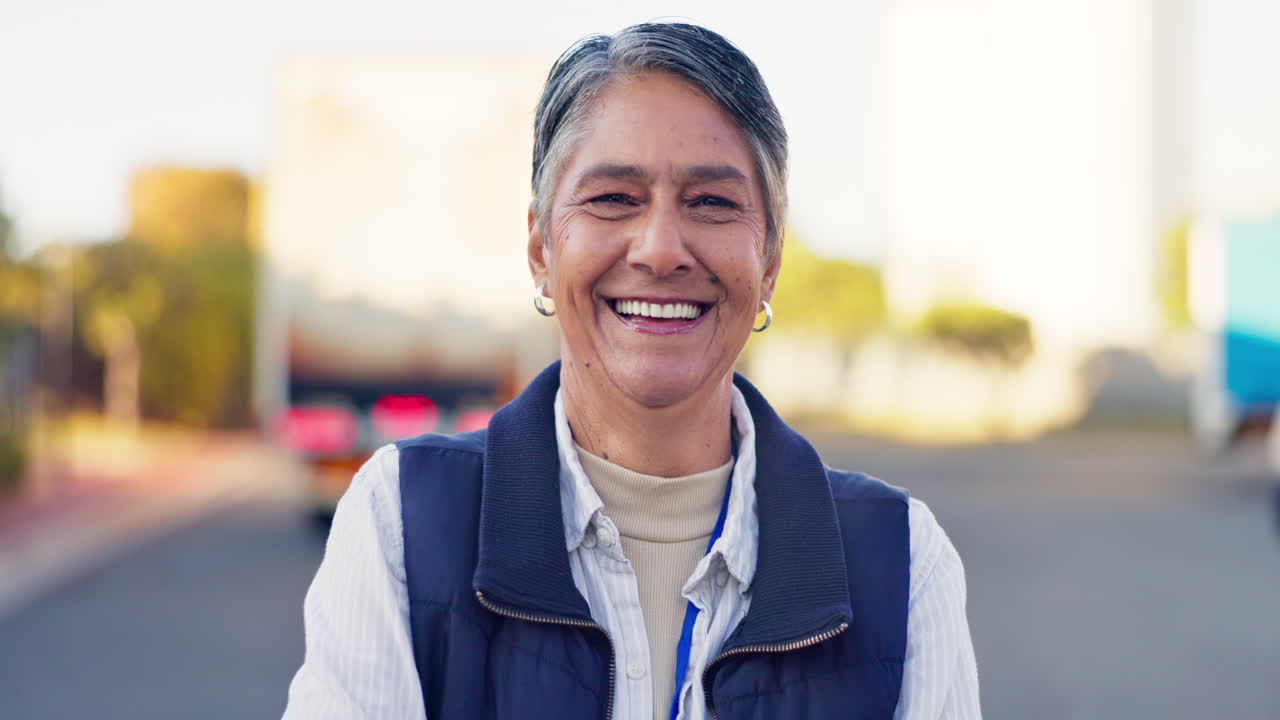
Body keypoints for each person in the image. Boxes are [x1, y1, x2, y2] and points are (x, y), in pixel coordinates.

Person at [283, 22, 980, 720]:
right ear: (541, 249)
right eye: (614, 198)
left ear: (768, 261)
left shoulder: (903, 562)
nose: (660, 250)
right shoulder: (399, 522)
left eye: (711, 202)